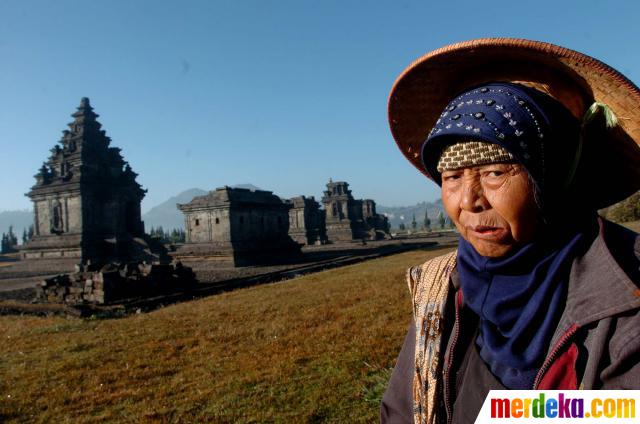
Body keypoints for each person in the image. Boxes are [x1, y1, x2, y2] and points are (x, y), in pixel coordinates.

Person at [380, 38, 640, 424]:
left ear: (549, 176)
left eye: (495, 172)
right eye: (451, 177)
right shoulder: (440, 287)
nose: (469, 200)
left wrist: (496, 413)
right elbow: (402, 410)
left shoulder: (625, 292)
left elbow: (622, 411)